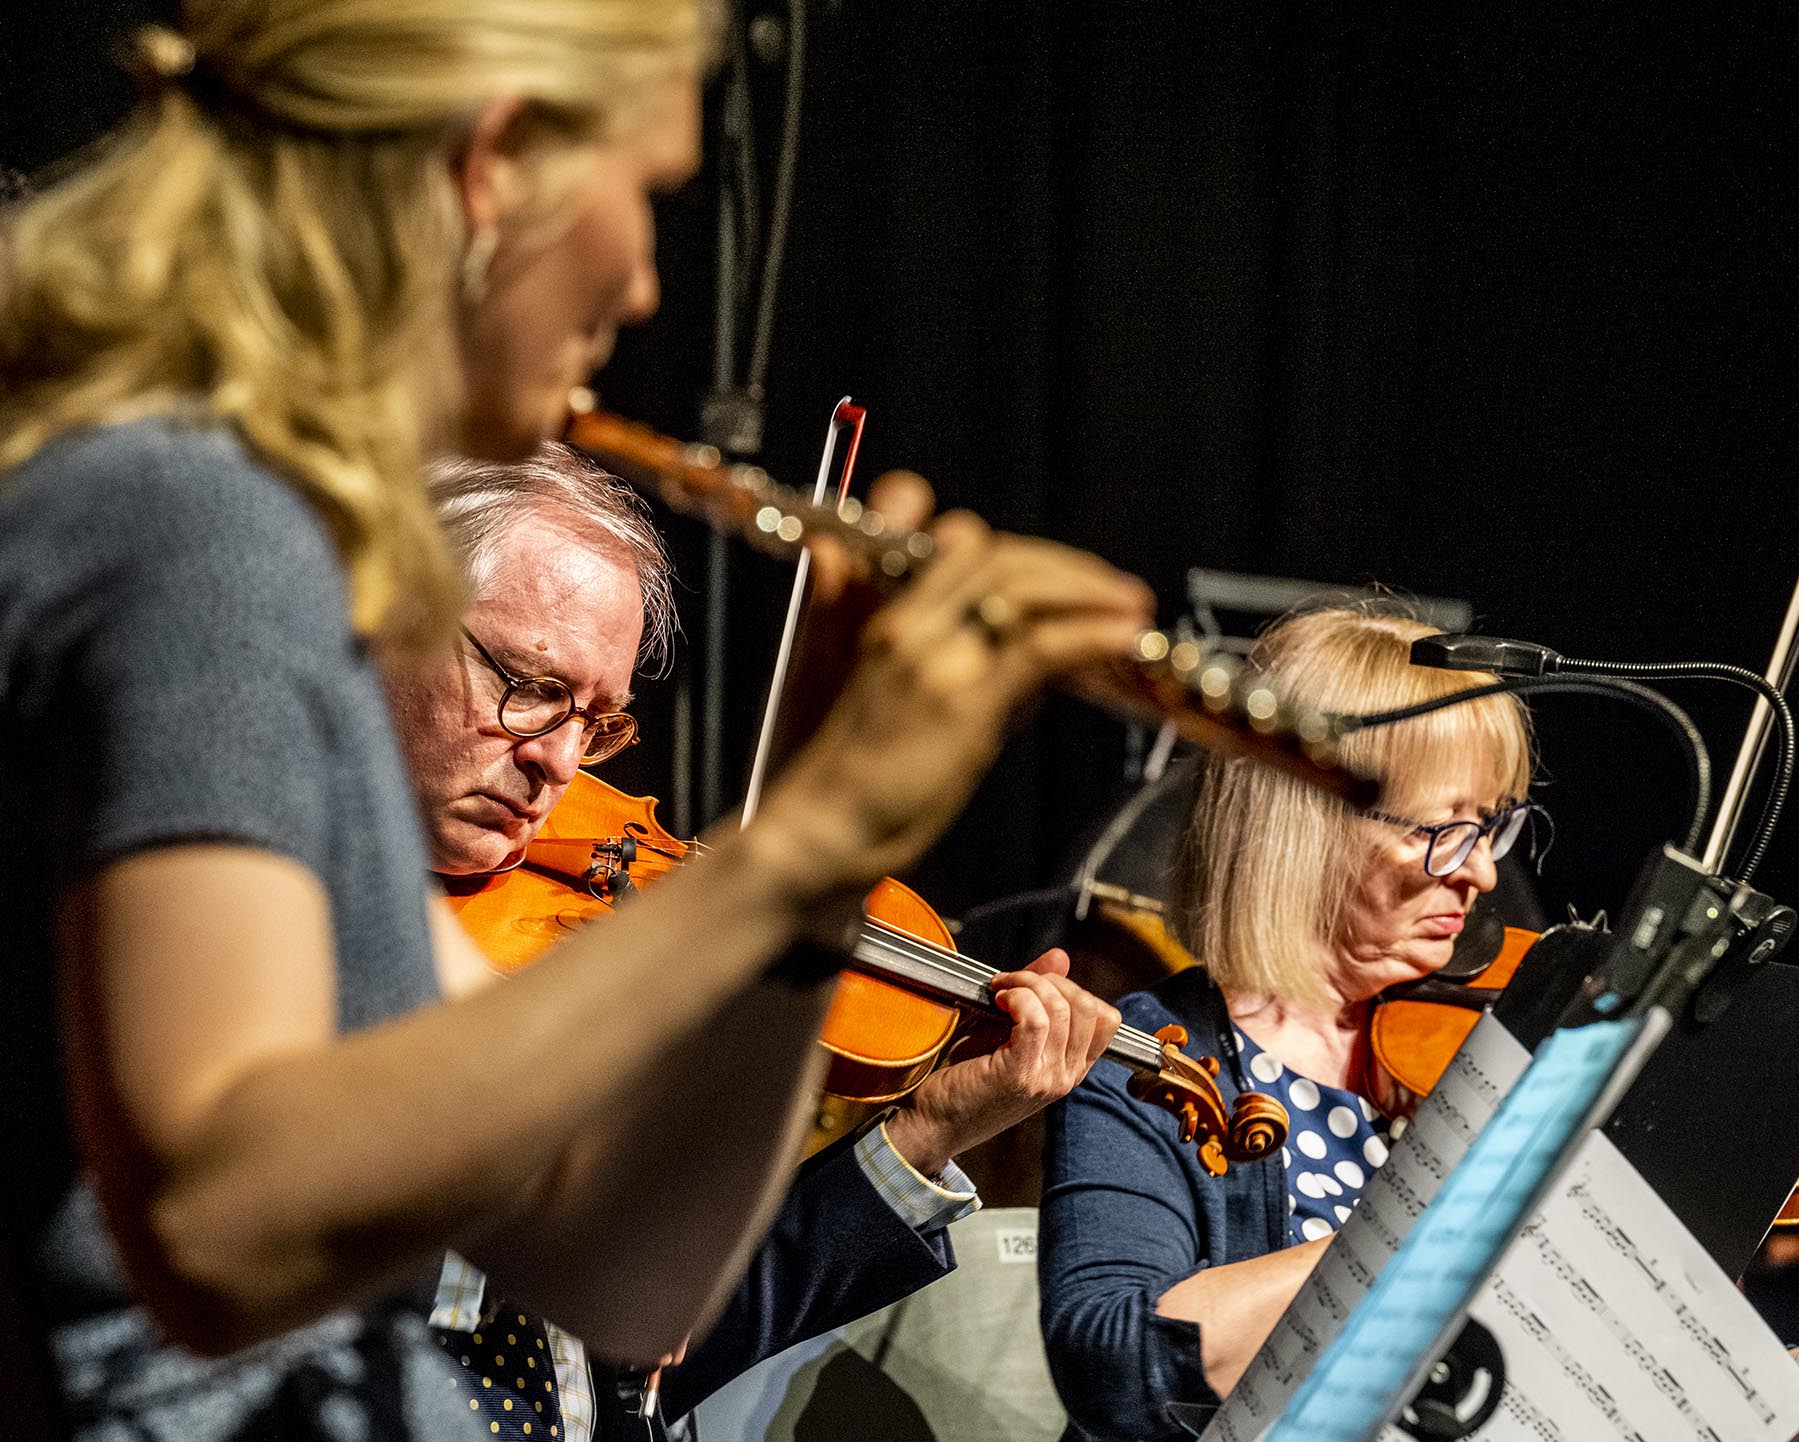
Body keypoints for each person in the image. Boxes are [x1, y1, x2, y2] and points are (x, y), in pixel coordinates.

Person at [0, 3, 1151, 1438]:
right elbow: (223, 1231)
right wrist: (784, 852)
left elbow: (624, 1277)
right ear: (497, 167)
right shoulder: (193, 527)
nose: (651, 286)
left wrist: (819, 851)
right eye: (652, 192)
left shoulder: (252, 554)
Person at [394, 444, 1120, 1436]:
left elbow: (651, 1351)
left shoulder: (573, 965)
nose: (557, 762)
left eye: (597, 722)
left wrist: (931, 1128)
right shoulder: (260, 917)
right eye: (527, 683)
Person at [1038, 608, 1538, 1442]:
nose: (1483, 872)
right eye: (1448, 831)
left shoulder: (1486, 1041)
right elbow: (1111, 1363)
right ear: (1311, 825)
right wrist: (1433, 1228)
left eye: (1492, 826)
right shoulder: (1157, 1057)